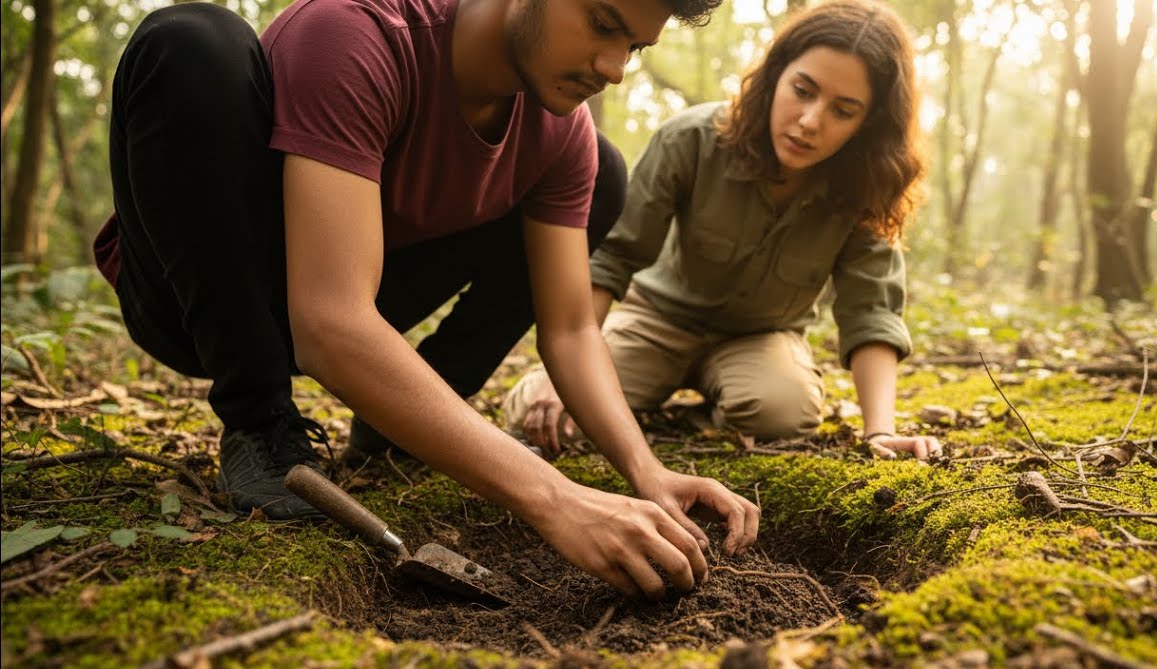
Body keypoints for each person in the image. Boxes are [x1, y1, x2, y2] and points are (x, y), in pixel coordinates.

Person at [94, 0, 760, 601]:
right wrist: (555, 499)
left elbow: (570, 331)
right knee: (189, 42)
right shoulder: (359, 36)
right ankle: (260, 422)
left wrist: (646, 470)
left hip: (357, 294)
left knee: (604, 172)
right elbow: (329, 323)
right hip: (199, 298)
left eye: (636, 47)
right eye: (603, 24)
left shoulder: (559, 132)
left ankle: (394, 430)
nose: (614, 68)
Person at [505, 0, 942, 460]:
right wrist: (566, 380)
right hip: (654, 319)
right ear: (775, 76)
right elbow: (613, 260)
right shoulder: (689, 140)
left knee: (782, 415)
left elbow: (871, 312)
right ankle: (608, 393)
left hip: (762, 337)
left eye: (843, 110)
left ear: (868, 124)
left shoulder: (868, 188)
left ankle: (699, 413)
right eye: (803, 90)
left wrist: (879, 432)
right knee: (550, 415)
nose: (810, 121)